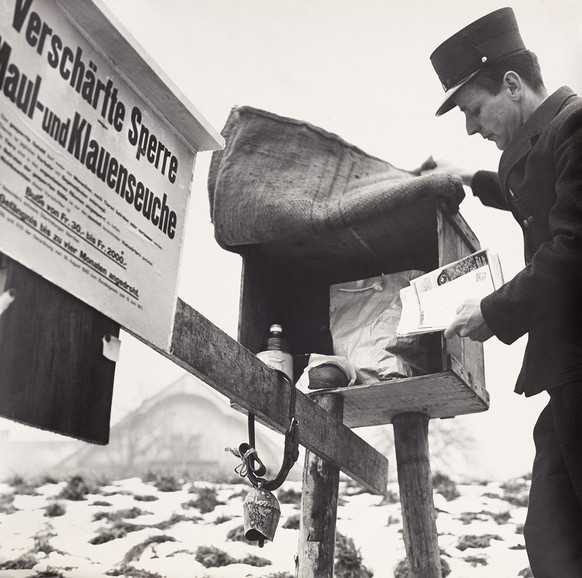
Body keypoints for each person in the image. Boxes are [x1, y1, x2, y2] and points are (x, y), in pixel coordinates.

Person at [428, 7, 582, 577]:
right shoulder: (554, 136)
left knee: (558, 535)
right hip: (568, 375)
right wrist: (471, 180)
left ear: (512, 85)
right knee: (552, 536)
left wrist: (493, 311)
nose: (472, 127)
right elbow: (534, 192)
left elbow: (574, 248)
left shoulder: (577, 129)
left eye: (473, 110)